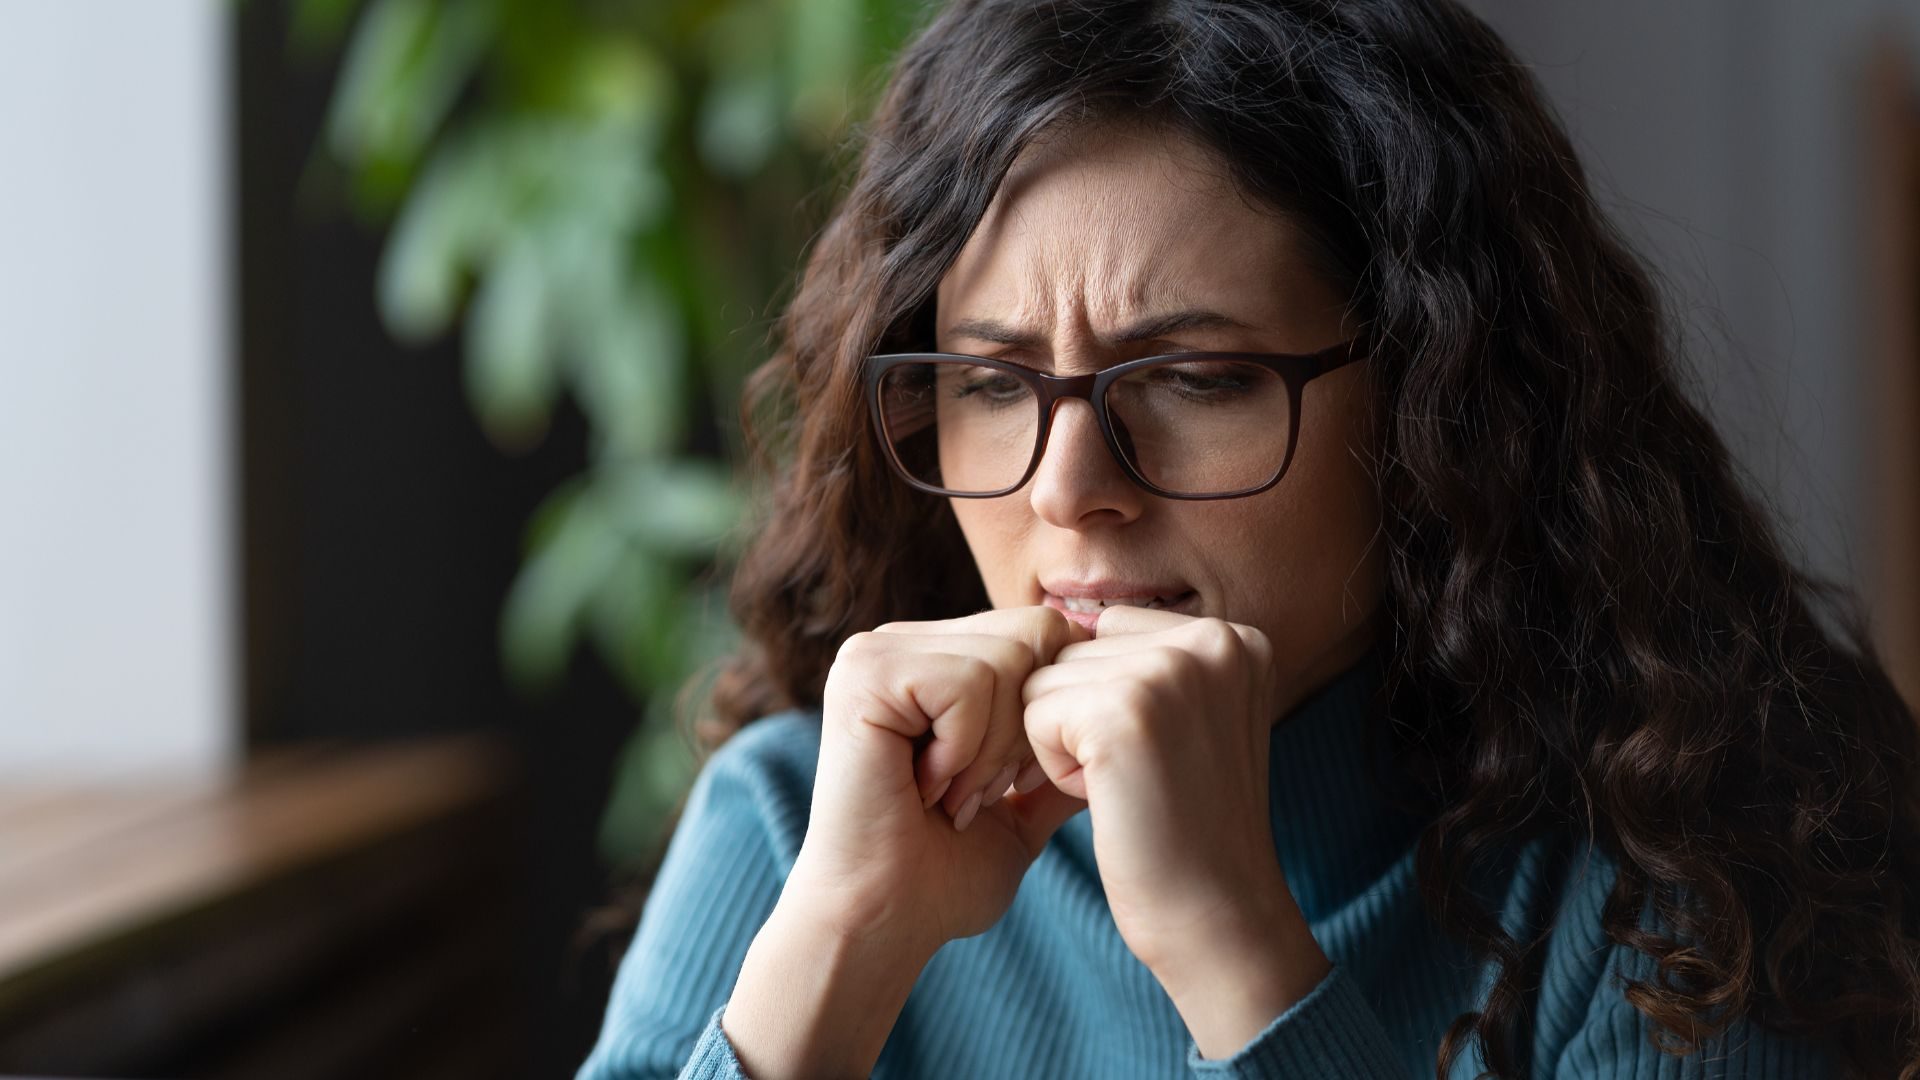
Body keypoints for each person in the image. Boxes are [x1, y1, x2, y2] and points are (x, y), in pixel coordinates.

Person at [577, 0, 1920, 1077]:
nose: (1069, 490)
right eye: (991, 386)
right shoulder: (794, 828)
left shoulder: (1674, 880)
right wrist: (841, 952)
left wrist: (1235, 952)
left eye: (1196, 379)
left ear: (1438, 404)